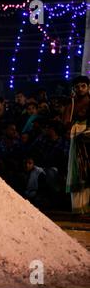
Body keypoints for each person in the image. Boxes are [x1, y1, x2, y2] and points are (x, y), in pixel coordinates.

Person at [63, 75, 90, 213]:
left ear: (88, 87)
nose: (80, 89)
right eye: (77, 87)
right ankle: (80, 210)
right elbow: (66, 123)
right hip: (76, 143)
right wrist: (75, 128)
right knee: (78, 173)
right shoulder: (71, 104)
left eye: (83, 86)